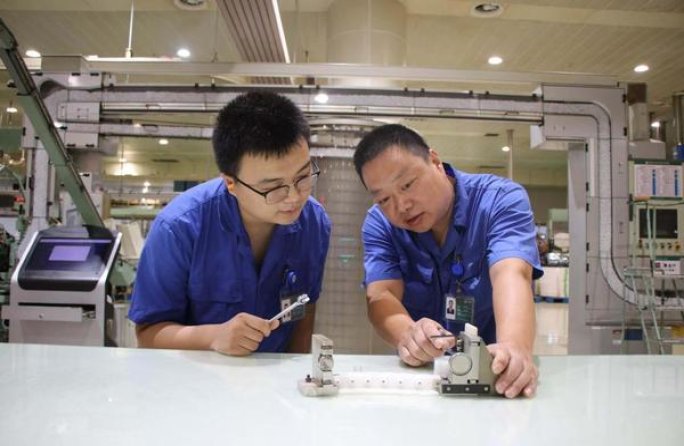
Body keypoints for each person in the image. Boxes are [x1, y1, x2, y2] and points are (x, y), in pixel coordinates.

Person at [128, 91, 331, 355]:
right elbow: (148, 334)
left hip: (275, 373)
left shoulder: (314, 223)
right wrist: (213, 337)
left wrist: (299, 371)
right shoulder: (178, 228)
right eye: (272, 188)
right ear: (231, 183)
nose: (294, 197)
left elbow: (303, 308)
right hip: (194, 375)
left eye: (303, 177)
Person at [353, 124, 542, 398]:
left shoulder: (499, 200)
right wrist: (409, 334)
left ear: (435, 161)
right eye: (384, 199)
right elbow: (381, 295)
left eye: (407, 185)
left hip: (493, 374)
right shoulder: (380, 223)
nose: (402, 205)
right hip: (422, 379)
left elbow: (511, 273)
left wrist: (514, 348)